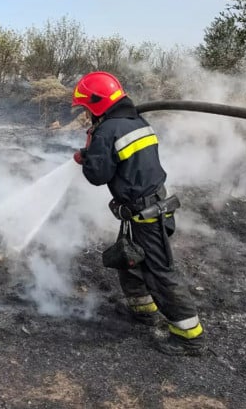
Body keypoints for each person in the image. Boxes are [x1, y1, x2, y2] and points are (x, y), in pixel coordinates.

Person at [71, 71, 205, 356]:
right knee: (129, 259)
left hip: (147, 214)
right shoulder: (136, 122)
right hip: (146, 208)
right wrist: (93, 152)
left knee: (160, 273)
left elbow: (98, 176)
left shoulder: (107, 130)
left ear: (95, 103)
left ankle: (189, 337)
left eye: (85, 108)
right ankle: (144, 310)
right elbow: (125, 161)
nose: (84, 113)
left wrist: (90, 155)